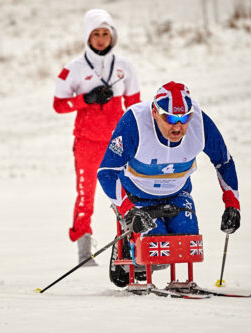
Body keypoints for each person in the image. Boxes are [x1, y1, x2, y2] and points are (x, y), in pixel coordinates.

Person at [97, 81, 241, 286]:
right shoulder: (134, 122)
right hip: (137, 195)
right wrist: (128, 210)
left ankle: (153, 258)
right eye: (171, 118)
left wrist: (232, 205)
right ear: (155, 112)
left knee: (187, 242)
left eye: (184, 118)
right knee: (154, 247)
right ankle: (126, 248)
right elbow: (106, 172)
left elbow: (224, 161)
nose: (178, 125)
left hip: (177, 192)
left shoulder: (200, 123)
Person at [53, 9, 141, 265]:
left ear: (112, 36)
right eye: (96, 34)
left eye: (106, 33)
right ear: (87, 37)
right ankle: (84, 254)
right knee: (86, 196)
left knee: (128, 194)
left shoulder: (126, 66)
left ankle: (131, 246)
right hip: (87, 143)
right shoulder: (73, 69)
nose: (101, 39)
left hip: (118, 143)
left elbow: (135, 105)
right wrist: (85, 99)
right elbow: (59, 104)